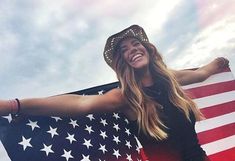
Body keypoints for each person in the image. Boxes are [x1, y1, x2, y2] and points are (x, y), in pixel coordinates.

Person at [0, 25, 229, 161]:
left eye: (135, 44)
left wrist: (216, 64)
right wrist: (15, 105)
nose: (133, 50)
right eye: (124, 50)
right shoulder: (124, 97)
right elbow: (79, 105)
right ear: (123, 61)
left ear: (146, 48)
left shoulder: (170, 78)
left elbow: (200, 75)